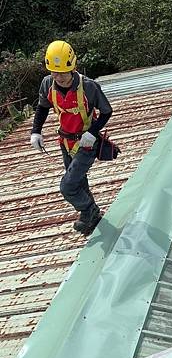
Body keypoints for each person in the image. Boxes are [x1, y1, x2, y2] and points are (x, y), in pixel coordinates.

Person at [30, 40, 113, 235]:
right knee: (79, 181)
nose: (58, 77)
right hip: (65, 141)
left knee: (67, 186)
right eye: (53, 72)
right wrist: (36, 131)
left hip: (86, 143)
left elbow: (107, 111)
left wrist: (92, 132)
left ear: (72, 67)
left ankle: (88, 210)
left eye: (61, 72)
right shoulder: (47, 84)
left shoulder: (89, 87)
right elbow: (42, 107)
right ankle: (93, 218)